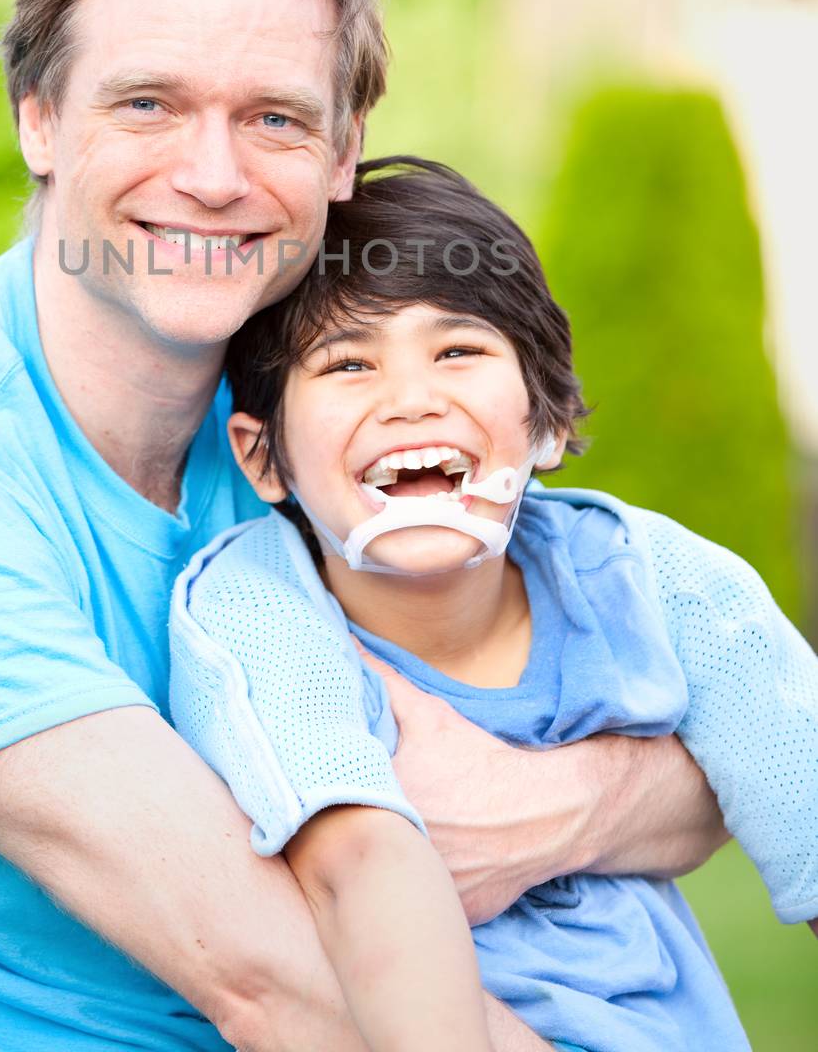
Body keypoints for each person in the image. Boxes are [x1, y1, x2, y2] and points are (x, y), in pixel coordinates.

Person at [0, 0, 726, 1052]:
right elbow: (276, 984)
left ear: (341, 153)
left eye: (271, 117)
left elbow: (715, 736)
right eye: (146, 104)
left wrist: (546, 806)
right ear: (38, 117)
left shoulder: (319, 426)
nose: (212, 178)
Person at [170, 155, 818, 1052]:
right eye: (348, 363)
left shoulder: (656, 579)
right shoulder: (255, 609)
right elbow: (359, 861)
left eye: (457, 350)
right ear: (262, 458)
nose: (410, 399)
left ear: (545, 417)